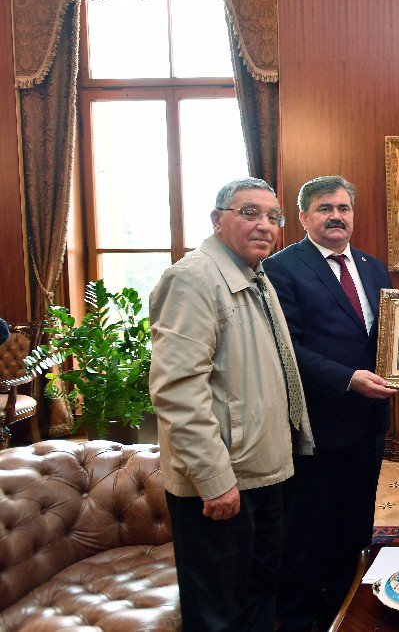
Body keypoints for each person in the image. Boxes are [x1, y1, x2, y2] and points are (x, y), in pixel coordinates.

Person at [149, 177, 312, 631]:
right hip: (223, 483)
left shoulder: (254, 275)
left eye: (273, 217)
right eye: (249, 213)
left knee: (260, 595)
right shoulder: (192, 279)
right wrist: (214, 480)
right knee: (219, 612)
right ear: (217, 220)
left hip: (262, 471)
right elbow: (177, 391)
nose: (264, 225)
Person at [264, 175, 395, 631]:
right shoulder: (281, 268)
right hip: (317, 425)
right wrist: (347, 379)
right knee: (308, 531)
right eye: (324, 208)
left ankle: (345, 611)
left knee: (354, 525)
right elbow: (287, 348)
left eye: (343, 207)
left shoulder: (373, 267)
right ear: (303, 217)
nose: (336, 216)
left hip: (369, 422)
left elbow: (386, 338)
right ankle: (300, 618)